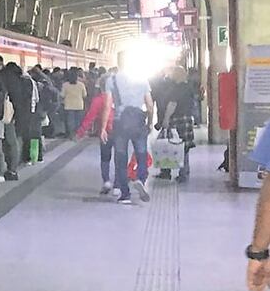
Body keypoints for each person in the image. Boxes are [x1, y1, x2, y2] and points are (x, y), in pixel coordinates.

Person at [104, 51, 153, 205]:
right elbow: (150, 105)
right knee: (141, 153)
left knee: (120, 157)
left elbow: (107, 106)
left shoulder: (111, 80)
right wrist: (150, 122)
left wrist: (103, 127)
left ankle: (125, 194)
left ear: (118, 62)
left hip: (120, 122)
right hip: (138, 121)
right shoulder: (142, 79)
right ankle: (140, 178)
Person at [156, 66, 197, 183]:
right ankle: (184, 172)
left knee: (170, 144)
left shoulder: (177, 88)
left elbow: (172, 104)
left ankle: (166, 170)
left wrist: (166, 119)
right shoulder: (188, 87)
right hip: (187, 119)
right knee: (184, 146)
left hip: (177, 119)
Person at [76, 77, 116, 194]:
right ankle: (118, 184)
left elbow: (90, 116)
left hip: (105, 131)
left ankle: (106, 182)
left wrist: (81, 132)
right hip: (120, 131)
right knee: (120, 158)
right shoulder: (119, 98)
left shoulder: (98, 100)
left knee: (105, 157)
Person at [61, 69, 88, 139]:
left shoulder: (65, 85)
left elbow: (62, 95)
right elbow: (84, 95)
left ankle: (71, 135)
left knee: (70, 122)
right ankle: (78, 134)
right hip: (79, 105)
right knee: (78, 121)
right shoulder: (81, 85)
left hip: (68, 105)